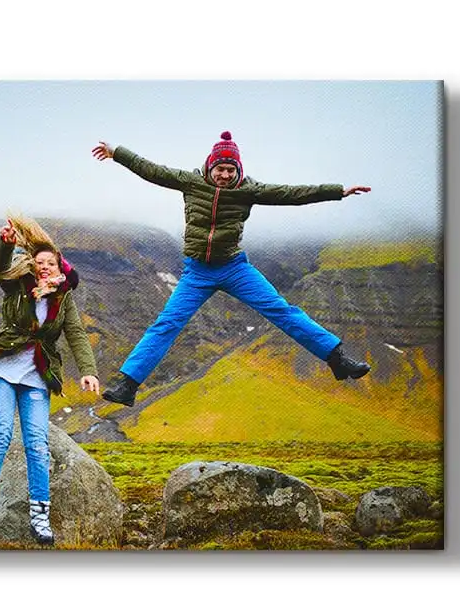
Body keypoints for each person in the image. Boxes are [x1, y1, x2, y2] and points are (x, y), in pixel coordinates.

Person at [90, 132, 374, 407]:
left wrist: (337, 191)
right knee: (166, 324)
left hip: (235, 269)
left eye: (230, 170)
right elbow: (151, 170)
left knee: (281, 310)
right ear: (210, 167)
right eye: (220, 169)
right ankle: (128, 386)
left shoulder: (247, 190)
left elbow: (291, 194)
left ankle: (338, 359)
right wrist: (117, 153)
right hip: (197, 273)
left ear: (237, 170)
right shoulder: (191, 182)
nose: (224, 175)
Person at [0, 216, 99, 545]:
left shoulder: (63, 299)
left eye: (49, 262)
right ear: (31, 265)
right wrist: (6, 243)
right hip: (2, 371)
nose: (43, 267)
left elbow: (76, 334)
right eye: (38, 262)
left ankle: (40, 518)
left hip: (37, 377)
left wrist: (88, 370)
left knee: (37, 447)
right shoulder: (17, 285)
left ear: (59, 267)